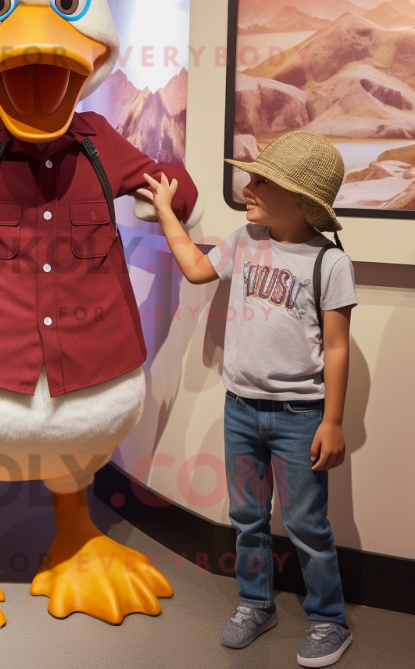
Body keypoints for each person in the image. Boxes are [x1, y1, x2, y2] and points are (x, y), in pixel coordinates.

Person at [139, 130, 356, 667]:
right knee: (247, 516)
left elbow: (336, 347)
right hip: (240, 407)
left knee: (307, 524)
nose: (248, 185)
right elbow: (194, 268)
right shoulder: (244, 240)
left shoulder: (329, 263)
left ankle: (330, 619)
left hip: (300, 416)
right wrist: (167, 211)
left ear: (302, 200)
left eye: (262, 180)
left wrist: (333, 420)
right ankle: (255, 604)